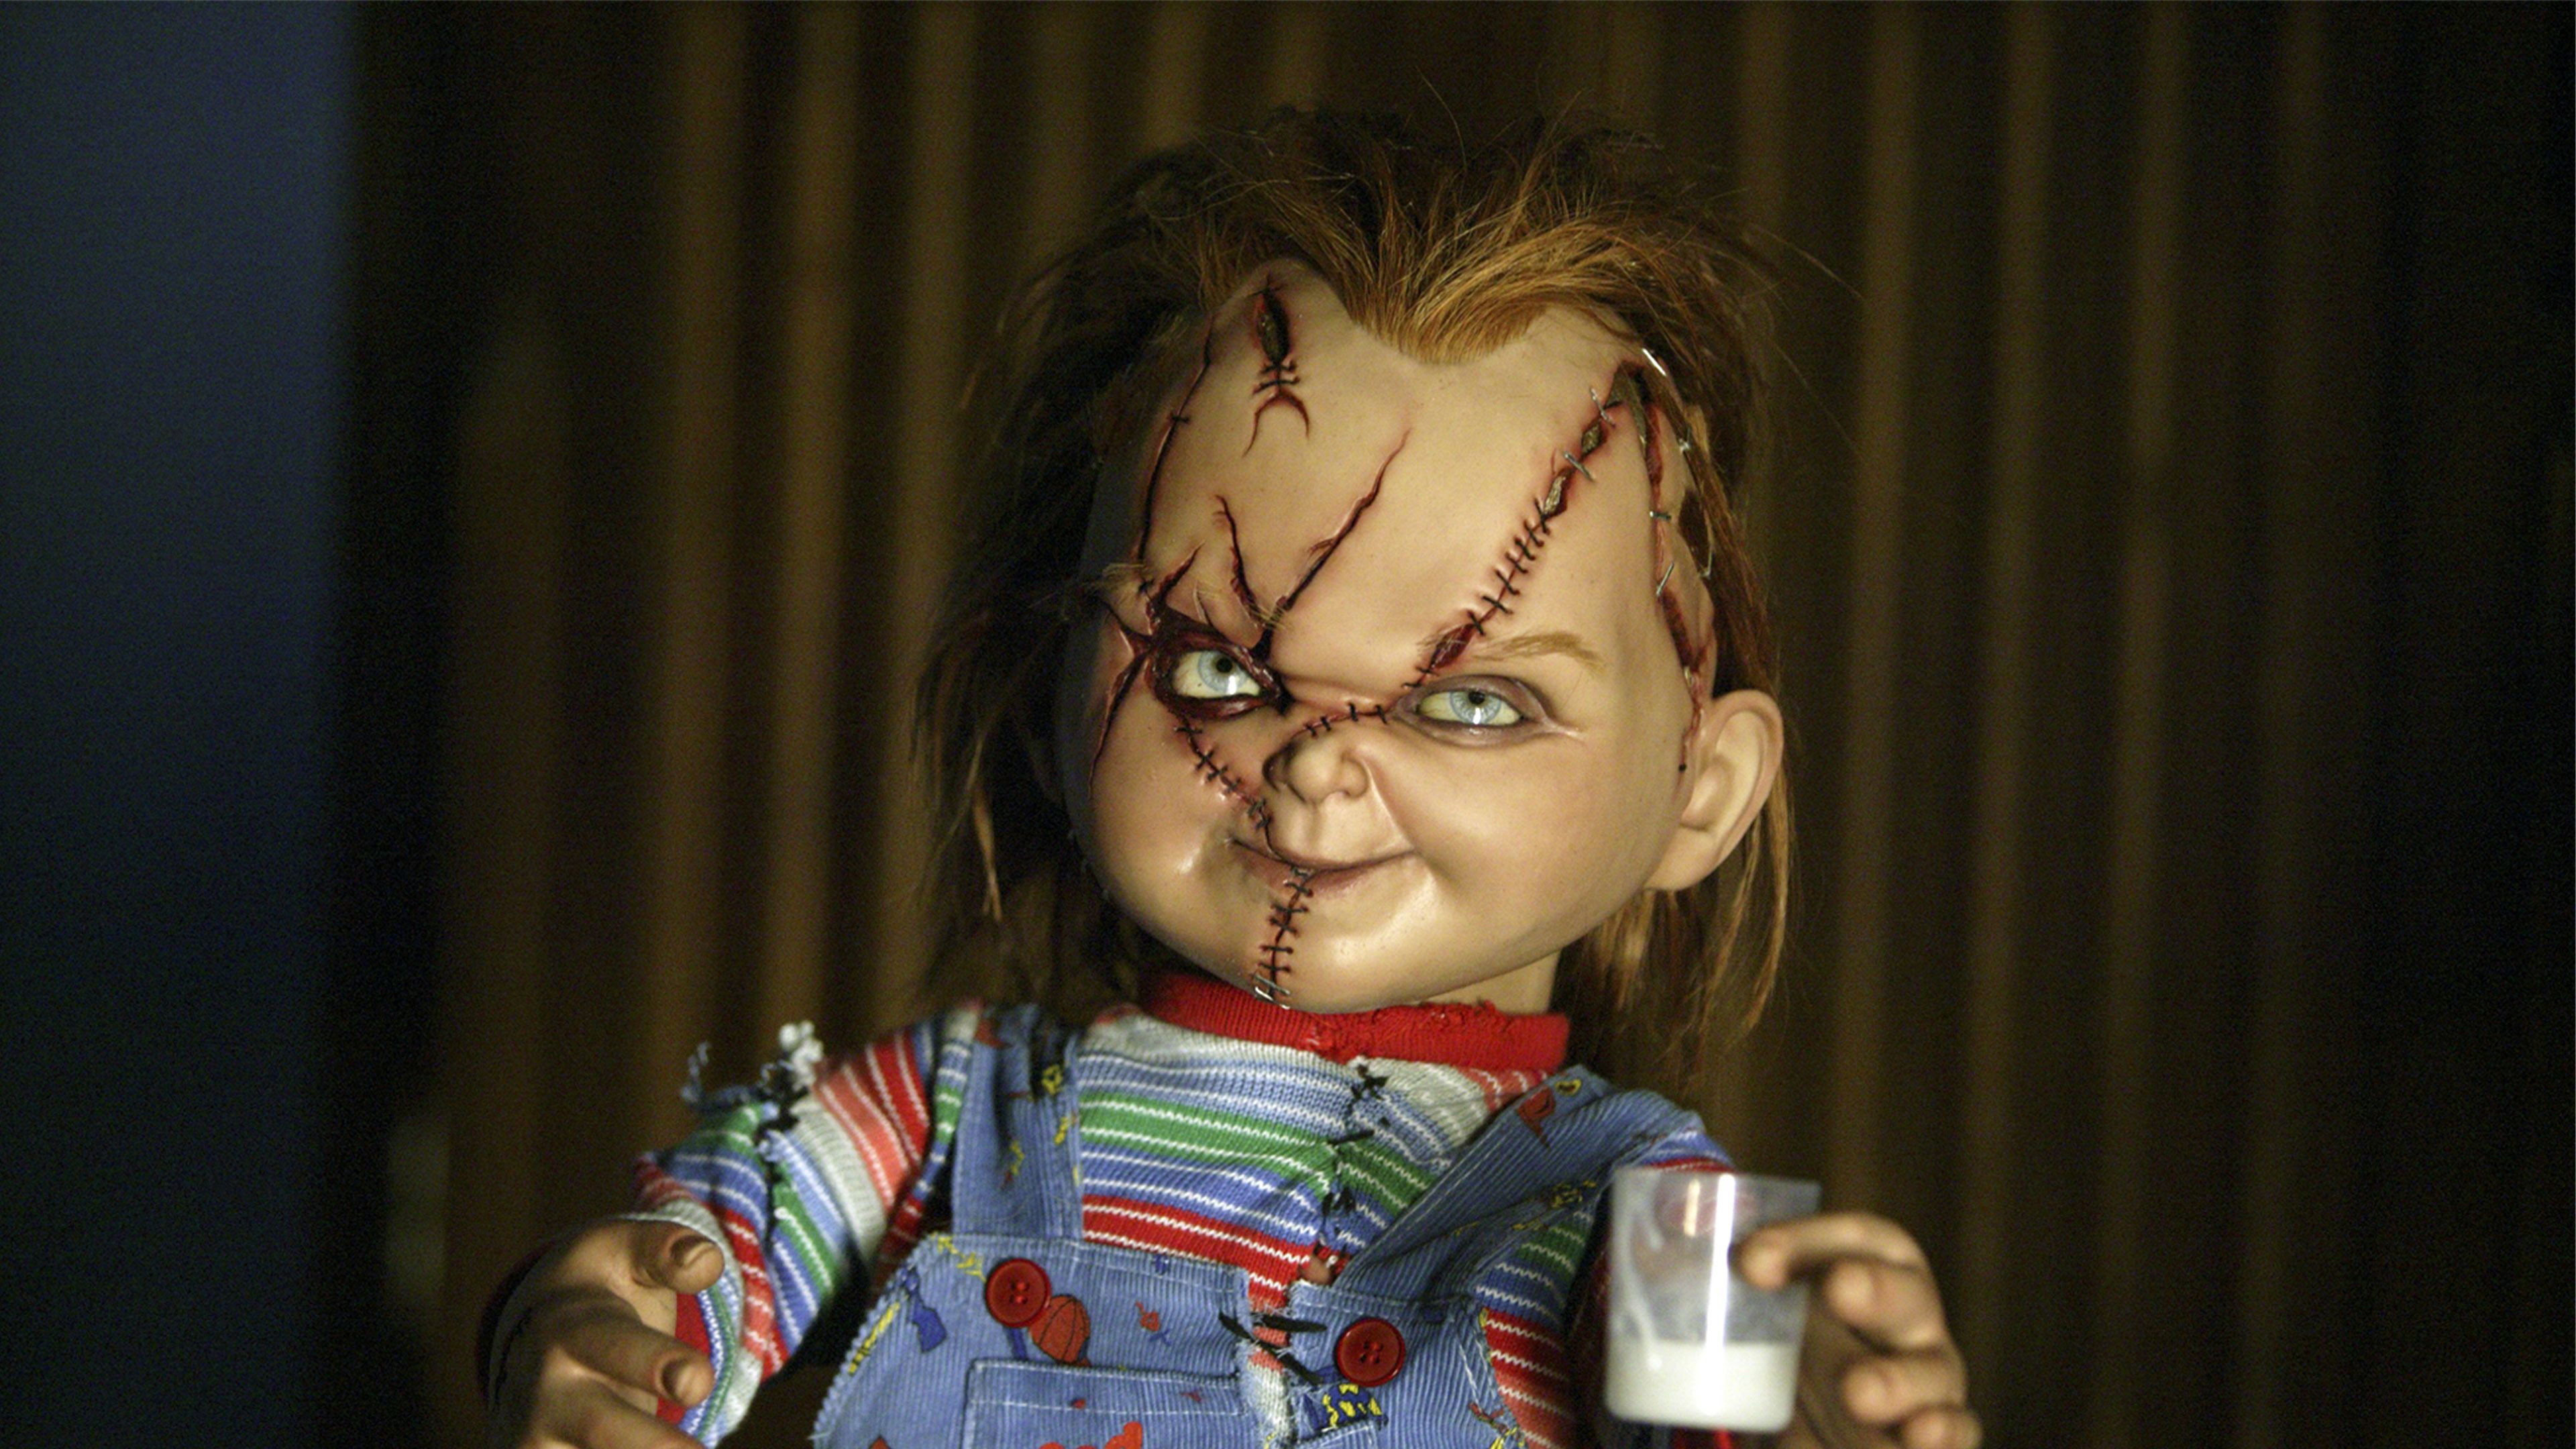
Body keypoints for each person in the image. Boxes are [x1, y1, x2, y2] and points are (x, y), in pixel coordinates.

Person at [483, 111, 1978, 1449]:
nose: (1320, 768)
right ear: (1049, 693)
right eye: (1212, 672)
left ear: (1701, 789)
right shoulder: (949, 1114)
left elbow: (1717, 1395)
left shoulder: (1647, 1215)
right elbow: (684, 1277)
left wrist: (1802, 1400)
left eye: (1474, 702)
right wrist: (586, 1332)